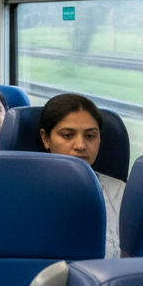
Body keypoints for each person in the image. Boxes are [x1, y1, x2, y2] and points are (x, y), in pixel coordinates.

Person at [39, 93, 124, 258]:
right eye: (68, 135)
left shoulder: (120, 193)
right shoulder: (23, 191)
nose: (81, 145)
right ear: (46, 138)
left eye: (90, 136)